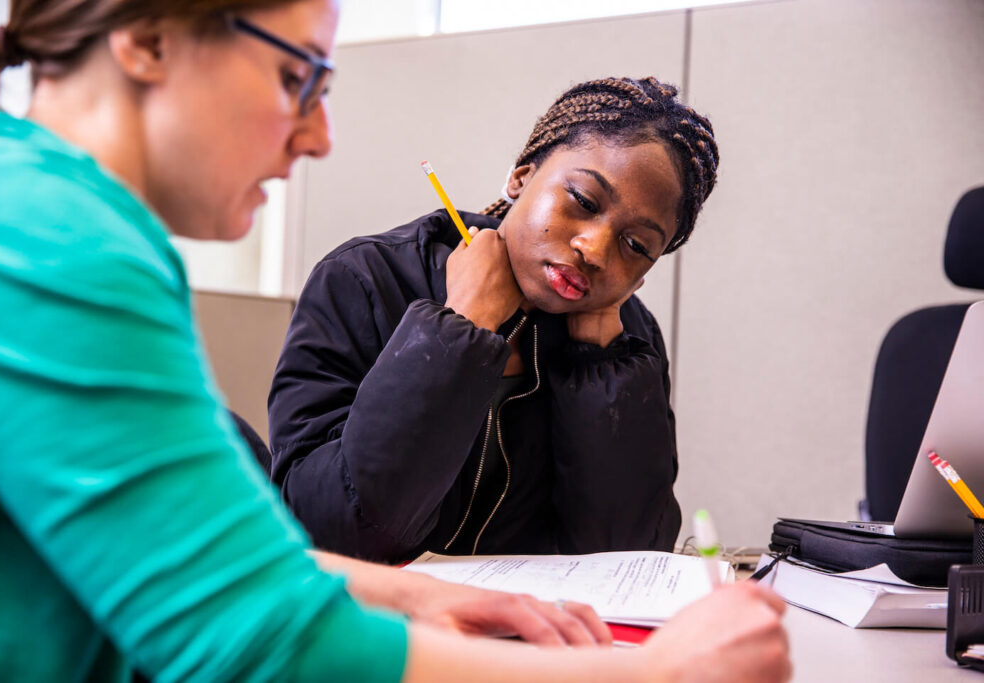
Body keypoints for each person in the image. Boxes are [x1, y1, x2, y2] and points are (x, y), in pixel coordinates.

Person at [0, 1, 790, 681]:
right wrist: (659, 673)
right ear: (145, 39)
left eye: (638, 246)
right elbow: (249, 633)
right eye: (299, 77)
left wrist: (415, 598)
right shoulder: (40, 230)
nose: (320, 135)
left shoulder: (26, 204)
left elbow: (204, 559)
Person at [268, 75, 715, 564]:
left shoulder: (630, 340)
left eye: (636, 246)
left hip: (536, 631)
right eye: (583, 202)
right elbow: (332, 532)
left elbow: (630, 559)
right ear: (521, 177)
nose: (595, 249)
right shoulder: (365, 278)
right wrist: (460, 326)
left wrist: (602, 371)